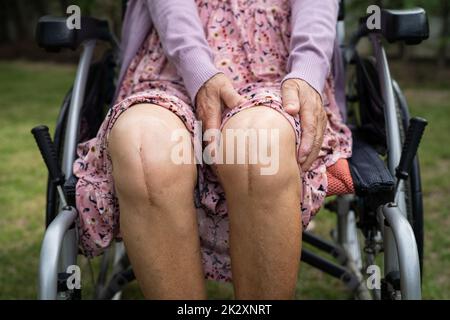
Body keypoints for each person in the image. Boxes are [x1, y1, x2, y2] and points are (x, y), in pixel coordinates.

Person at [73, 0, 352, 299]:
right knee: (143, 148)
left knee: (261, 146)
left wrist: (307, 72)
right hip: (170, 66)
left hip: (275, 70)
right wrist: (200, 71)